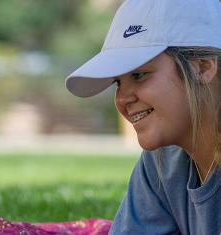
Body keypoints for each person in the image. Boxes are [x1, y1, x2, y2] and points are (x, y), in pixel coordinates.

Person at [66, 0, 220, 234]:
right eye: (117, 82)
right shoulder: (161, 163)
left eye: (139, 75)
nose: (122, 99)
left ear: (202, 68)